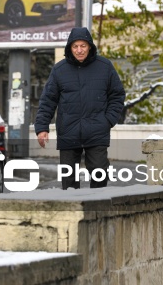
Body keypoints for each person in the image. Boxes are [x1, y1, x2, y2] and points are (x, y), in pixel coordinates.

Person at [35, 27, 126, 189]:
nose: (79, 50)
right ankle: (73, 213)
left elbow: (117, 96)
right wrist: (42, 127)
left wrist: (108, 120)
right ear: (70, 48)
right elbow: (48, 100)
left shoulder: (105, 67)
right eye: (75, 46)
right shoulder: (59, 70)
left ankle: (99, 211)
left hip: (97, 131)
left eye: (83, 46)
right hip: (68, 132)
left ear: (90, 46)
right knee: (69, 181)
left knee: (99, 175)